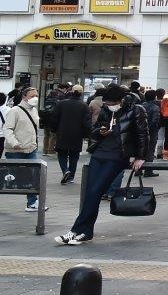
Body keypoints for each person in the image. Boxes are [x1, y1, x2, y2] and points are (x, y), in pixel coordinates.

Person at [53, 83, 151, 246]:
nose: (108, 106)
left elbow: (143, 134)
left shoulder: (137, 110)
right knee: (91, 193)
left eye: (111, 104)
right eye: (106, 104)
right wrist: (100, 131)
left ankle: (76, 230)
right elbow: (96, 128)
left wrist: (141, 156)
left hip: (118, 155)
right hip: (100, 152)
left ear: (120, 100)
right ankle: (84, 232)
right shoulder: (106, 110)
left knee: (95, 191)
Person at [4, 87, 44, 211]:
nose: (35, 98)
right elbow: (8, 129)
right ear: (24, 97)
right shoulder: (14, 111)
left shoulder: (34, 111)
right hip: (15, 151)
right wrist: (14, 143)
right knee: (10, 179)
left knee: (32, 177)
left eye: (36, 96)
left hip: (31, 149)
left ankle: (32, 203)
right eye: (32, 96)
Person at [52, 85, 91, 184]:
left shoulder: (61, 103)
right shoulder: (84, 106)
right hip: (77, 135)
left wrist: (54, 130)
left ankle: (65, 170)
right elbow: (87, 123)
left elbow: (54, 118)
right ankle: (71, 176)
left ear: (71, 91)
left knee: (62, 154)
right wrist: (87, 134)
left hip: (62, 132)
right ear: (82, 93)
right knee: (74, 155)